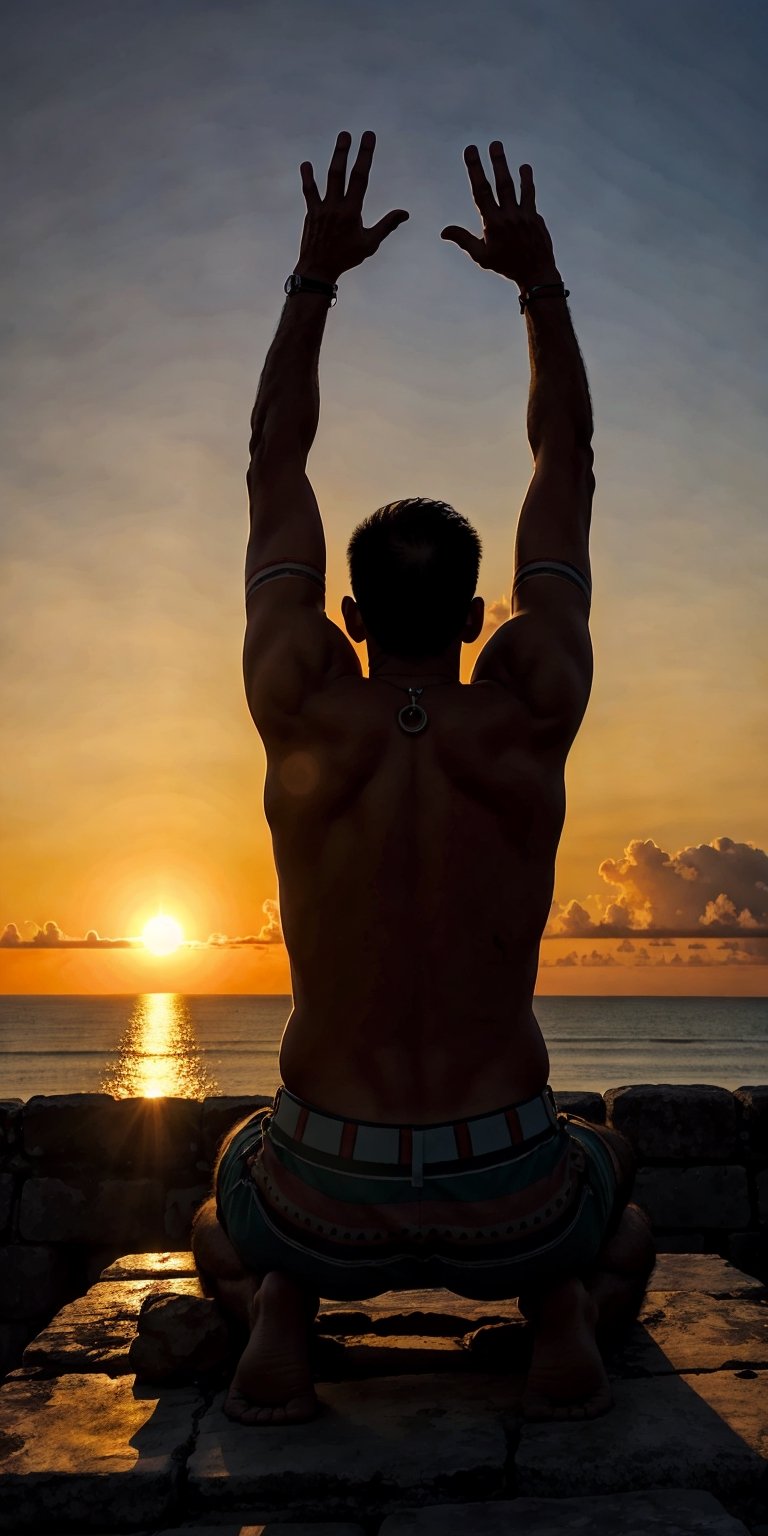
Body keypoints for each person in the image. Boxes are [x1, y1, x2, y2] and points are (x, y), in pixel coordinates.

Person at [191, 130, 656, 1427]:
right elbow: (569, 466)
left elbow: (270, 466)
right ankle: (559, 1316)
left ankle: (283, 1316)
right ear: (477, 618)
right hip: (508, 1170)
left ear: (343, 609)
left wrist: (312, 281)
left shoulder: (299, 699)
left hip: (319, 1188)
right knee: (612, 1188)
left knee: (227, 1190)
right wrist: (539, 288)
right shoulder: (529, 708)